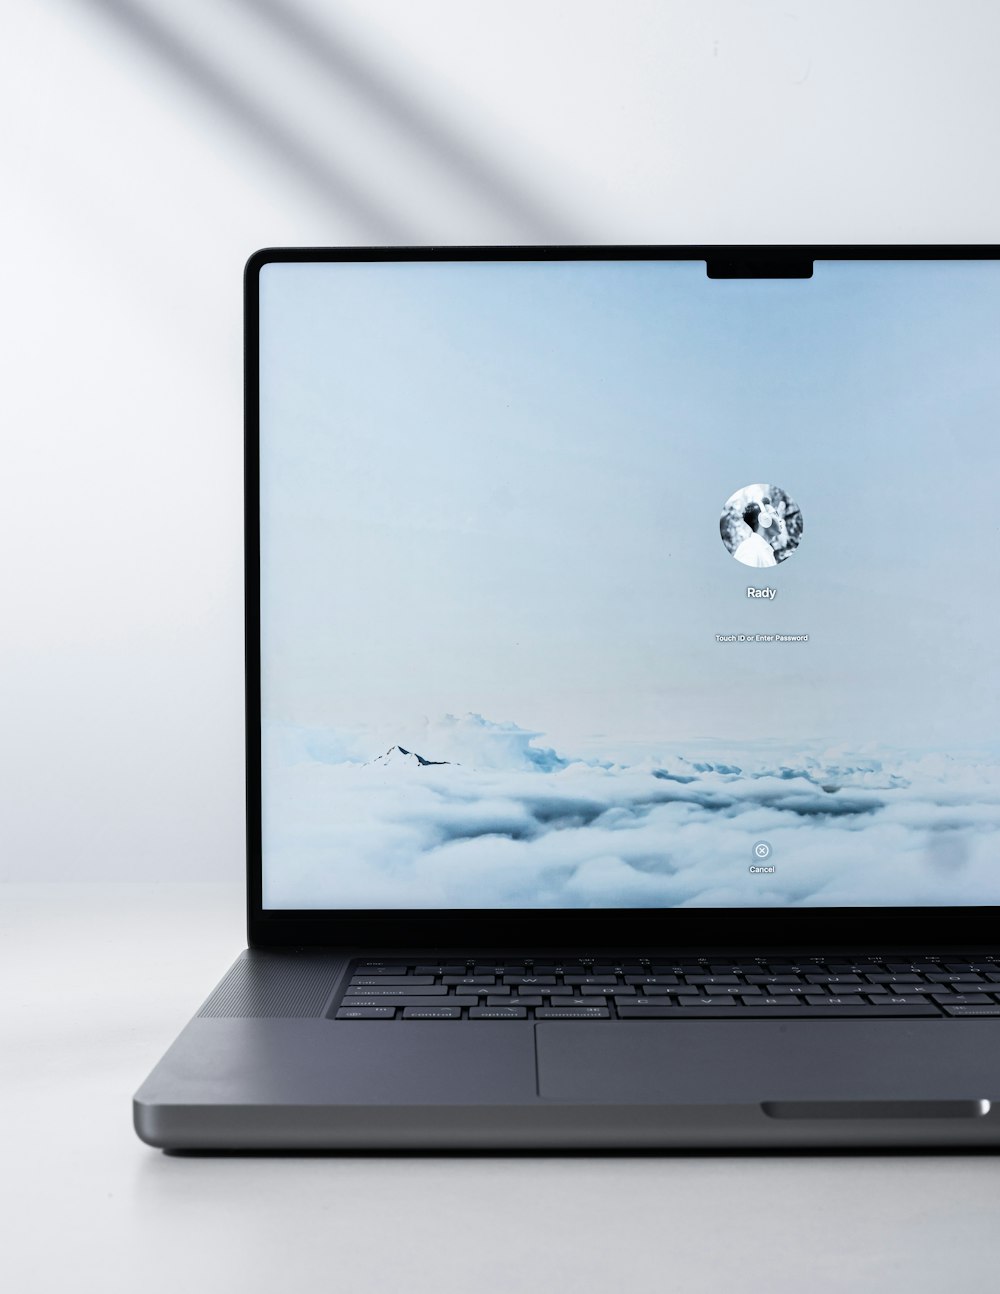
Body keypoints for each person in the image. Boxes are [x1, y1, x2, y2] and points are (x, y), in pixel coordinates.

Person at [733, 501, 778, 567]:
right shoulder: (750, 549)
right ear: (764, 519)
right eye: (775, 513)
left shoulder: (763, 549)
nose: (780, 519)